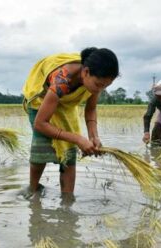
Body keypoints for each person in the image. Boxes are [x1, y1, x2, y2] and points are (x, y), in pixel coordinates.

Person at [22, 47, 119, 194]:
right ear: (86, 72)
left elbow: (91, 109)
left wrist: (94, 136)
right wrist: (78, 139)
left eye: (105, 86)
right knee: (40, 149)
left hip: (65, 104)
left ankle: (67, 202)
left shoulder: (94, 83)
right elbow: (40, 124)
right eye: (99, 85)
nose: (100, 90)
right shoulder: (62, 79)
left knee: (69, 154)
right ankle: (33, 190)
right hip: (41, 101)